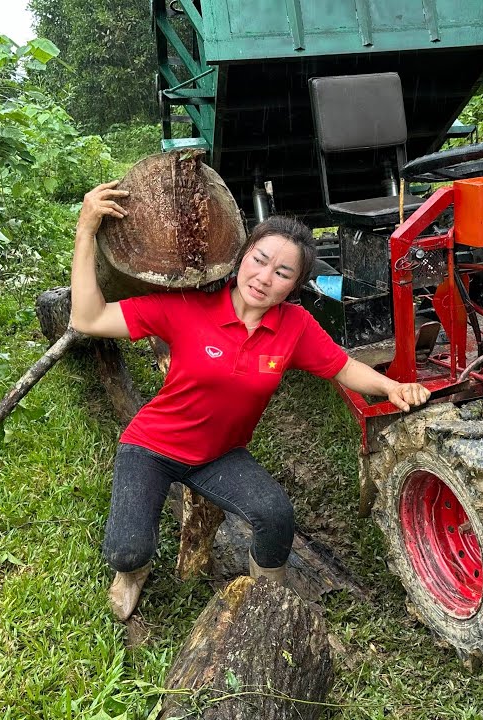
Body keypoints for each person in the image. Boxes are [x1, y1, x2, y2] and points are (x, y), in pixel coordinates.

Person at [69, 181, 431, 622]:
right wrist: (85, 230)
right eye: (259, 260)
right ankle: (133, 573)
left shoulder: (294, 325)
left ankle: (266, 604)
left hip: (220, 456)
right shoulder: (185, 307)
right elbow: (87, 318)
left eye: (282, 272)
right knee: (125, 551)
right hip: (152, 446)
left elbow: (342, 367)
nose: (264, 278)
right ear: (242, 257)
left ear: (296, 284)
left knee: (275, 516)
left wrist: (392, 387)